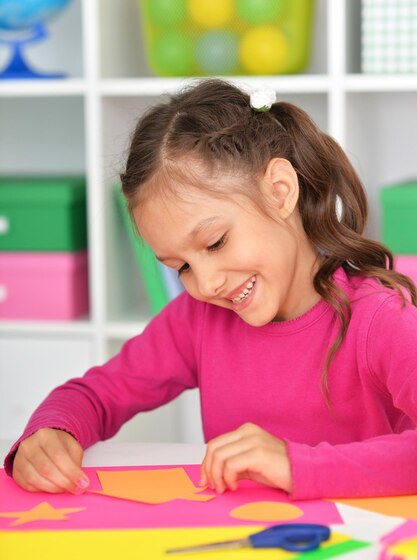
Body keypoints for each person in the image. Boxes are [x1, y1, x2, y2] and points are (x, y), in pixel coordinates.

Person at [5, 79, 417, 500]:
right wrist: (52, 430)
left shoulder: (379, 318)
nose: (206, 283)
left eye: (216, 242)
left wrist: (298, 466)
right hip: (243, 548)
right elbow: (97, 394)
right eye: (181, 266)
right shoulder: (199, 318)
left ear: (280, 191)